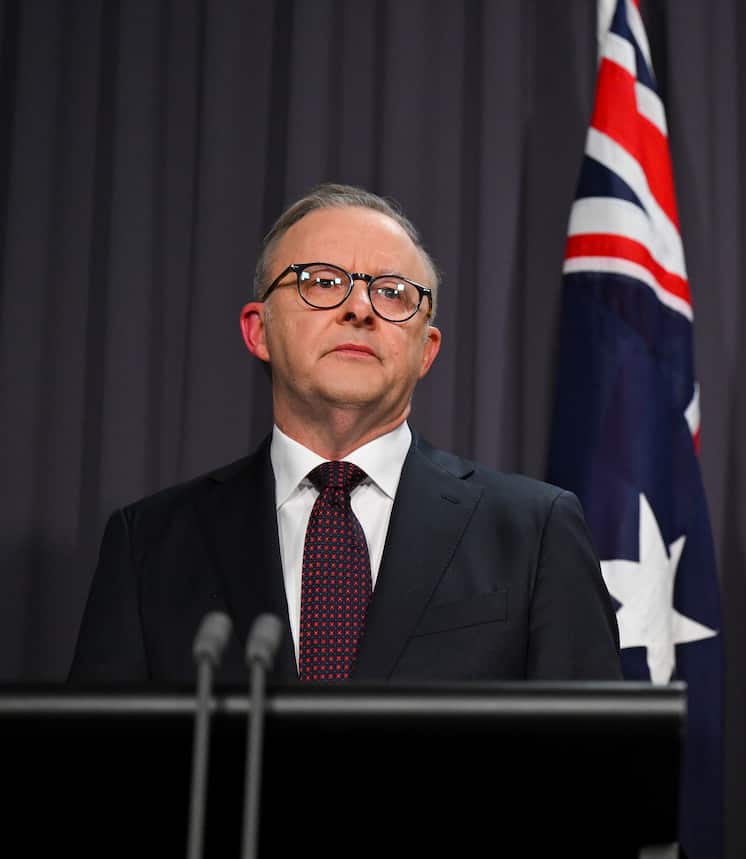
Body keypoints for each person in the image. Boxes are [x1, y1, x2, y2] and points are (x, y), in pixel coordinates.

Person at [69, 183, 621, 683]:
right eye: (322, 282)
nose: (359, 308)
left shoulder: (533, 531)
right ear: (258, 331)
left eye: (393, 293)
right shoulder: (151, 543)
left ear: (426, 350)